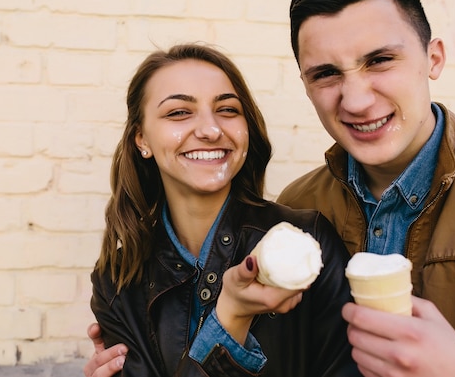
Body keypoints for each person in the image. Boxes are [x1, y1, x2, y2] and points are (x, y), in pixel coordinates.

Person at [278, 0, 455, 376]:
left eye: (380, 60)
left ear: (434, 58)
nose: (356, 101)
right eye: (327, 74)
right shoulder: (295, 208)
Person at [84, 43, 360, 377]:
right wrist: (231, 317)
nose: (211, 130)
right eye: (178, 113)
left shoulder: (308, 242)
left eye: (227, 110)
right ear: (141, 138)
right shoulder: (116, 280)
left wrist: (230, 318)